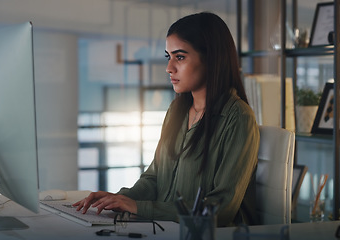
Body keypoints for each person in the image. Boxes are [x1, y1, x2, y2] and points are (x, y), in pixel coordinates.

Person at [74, 11, 260, 227]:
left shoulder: (238, 118)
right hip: (166, 229)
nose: (169, 67)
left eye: (179, 57)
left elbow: (222, 208)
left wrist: (139, 207)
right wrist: (118, 199)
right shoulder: (176, 111)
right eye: (168, 56)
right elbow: (154, 178)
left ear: (211, 58)